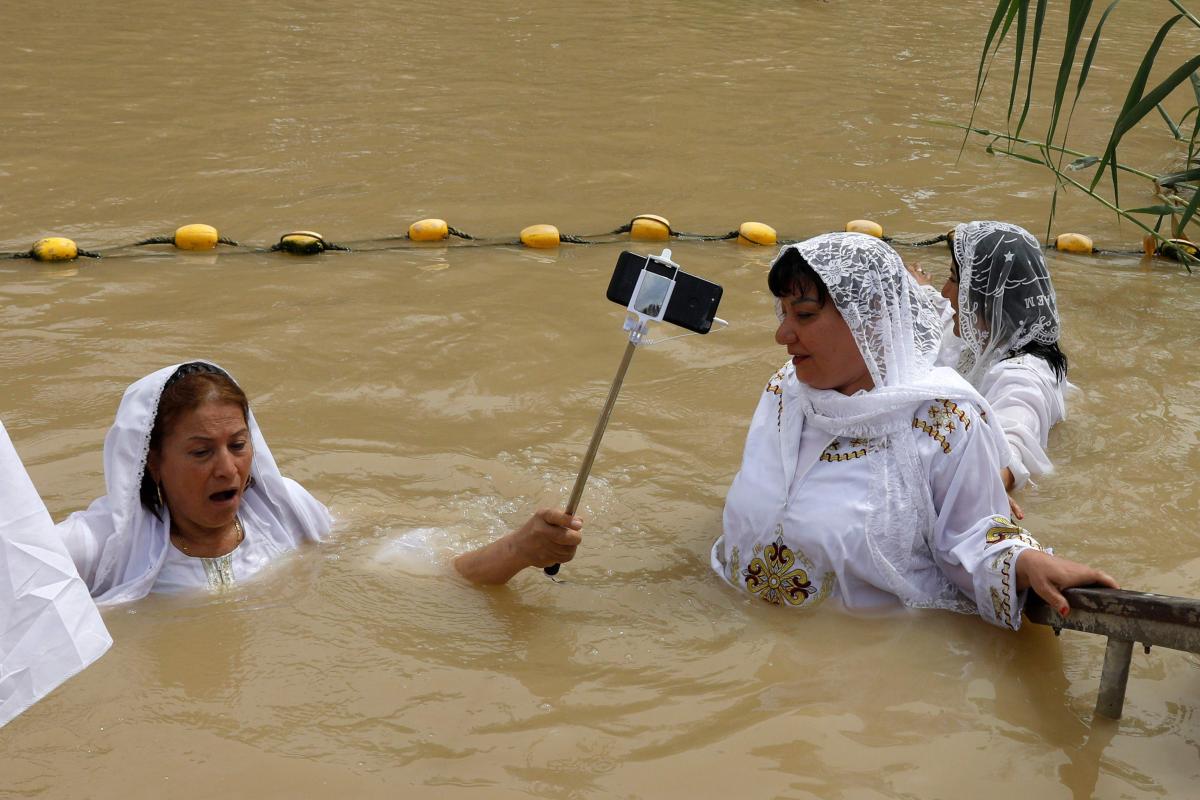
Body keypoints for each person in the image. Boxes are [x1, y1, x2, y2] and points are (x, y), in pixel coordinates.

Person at [711, 232, 1115, 628]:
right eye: (784, 313)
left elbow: (974, 535)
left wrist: (1027, 562)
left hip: (855, 665)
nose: (782, 334)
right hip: (730, 631)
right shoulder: (787, 390)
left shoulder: (942, 421)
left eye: (804, 315)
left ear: (869, 319)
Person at [56, 361, 332, 605]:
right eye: (202, 452)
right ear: (153, 462)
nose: (227, 469)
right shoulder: (103, 544)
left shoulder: (287, 510)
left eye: (237, 445)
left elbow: (356, 535)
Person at [939, 221, 1071, 493]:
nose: (945, 293)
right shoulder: (985, 342)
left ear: (985, 295)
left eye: (954, 280)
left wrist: (989, 486)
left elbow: (1014, 441)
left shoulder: (1021, 377)